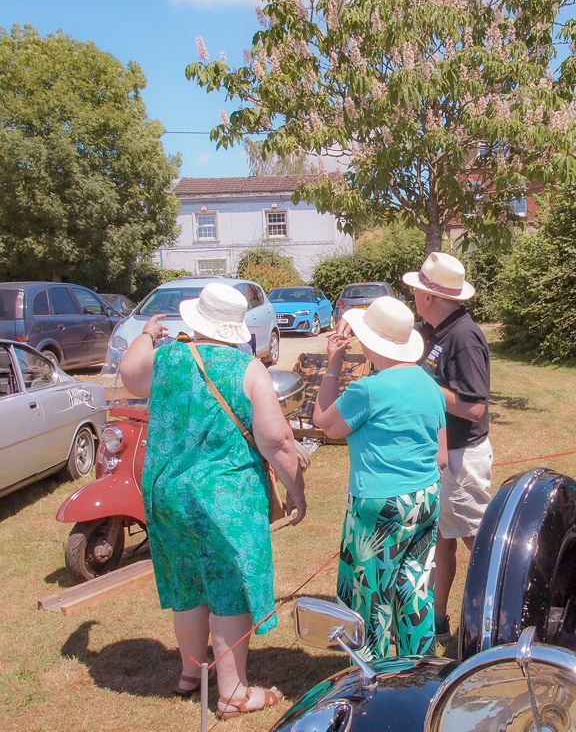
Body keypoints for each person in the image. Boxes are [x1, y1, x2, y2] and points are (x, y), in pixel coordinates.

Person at [120, 282, 306, 720]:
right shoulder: (248, 369)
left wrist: (147, 334)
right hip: (223, 499)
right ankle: (233, 693)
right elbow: (277, 439)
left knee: (186, 585)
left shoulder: (166, 358)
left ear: (197, 319)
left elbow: (130, 376)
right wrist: (296, 489)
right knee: (230, 591)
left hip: (166, 494)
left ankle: (191, 673)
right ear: (235, 327)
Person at [313, 296, 447, 659]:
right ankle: (418, 668)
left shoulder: (368, 390)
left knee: (370, 595)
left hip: (378, 505)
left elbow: (324, 421)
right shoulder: (428, 383)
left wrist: (332, 365)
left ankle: (372, 679)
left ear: (370, 344)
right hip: (426, 498)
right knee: (415, 587)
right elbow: (442, 453)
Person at [402, 252, 492, 641]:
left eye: (416, 290)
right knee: (442, 541)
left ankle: (500, 617)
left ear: (427, 296)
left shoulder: (464, 337)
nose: (414, 296)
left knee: (481, 545)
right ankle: (438, 621)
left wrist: (426, 389)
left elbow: (475, 407)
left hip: (461, 455)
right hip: (441, 453)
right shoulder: (432, 330)